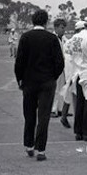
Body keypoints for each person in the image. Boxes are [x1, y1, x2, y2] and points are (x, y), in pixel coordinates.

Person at [14, 10, 64, 161]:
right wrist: (52, 77)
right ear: (46, 22)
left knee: (29, 114)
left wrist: (20, 79)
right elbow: (59, 62)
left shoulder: (25, 37)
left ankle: (29, 145)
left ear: (33, 21)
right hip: (47, 82)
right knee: (43, 116)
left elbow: (19, 62)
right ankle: (40, 149)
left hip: (29, 81)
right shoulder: (52, 38)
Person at [59, 21, 85, 129]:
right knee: (76, 97)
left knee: (69, 95)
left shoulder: (68, 42)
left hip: (70, 71)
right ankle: (78, 123)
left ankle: (65, 117)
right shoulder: (80, 42)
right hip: (75, 72)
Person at [51, 18, 67, 117]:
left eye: (64, 28)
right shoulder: (52, 38)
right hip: (55, 67)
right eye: (61, 28)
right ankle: (53, 109)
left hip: (63, 67)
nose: (63, 30)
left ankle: (60, 109)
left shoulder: (64, 38)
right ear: (56, 28)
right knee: (55, 89)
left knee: (62, 89)